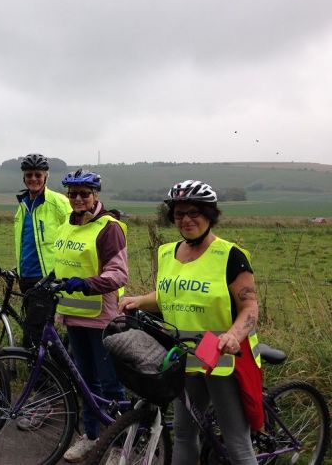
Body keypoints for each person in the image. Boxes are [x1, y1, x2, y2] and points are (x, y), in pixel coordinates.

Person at [119, 180, 261, 465]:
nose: (186, 219)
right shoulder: (167, 252)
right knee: (184, 434)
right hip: (186, 356)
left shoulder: (230, 256)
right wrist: (138, 300)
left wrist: (233, 335)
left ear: (210, 214)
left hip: (223, 359)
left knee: (237, 443)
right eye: (179, 213)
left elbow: (250, 307)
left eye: (194, 212)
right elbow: (169, 295)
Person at [54, 169, 128, 463]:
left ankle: (122, 441)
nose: (78, 199)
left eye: (84, 193)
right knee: (85, 381)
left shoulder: (109, 228)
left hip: (102, 317)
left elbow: (118, 274)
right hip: (72, 315)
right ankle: (92, 435)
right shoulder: (66, 224)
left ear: (96, 195)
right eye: (73, 194)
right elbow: (61, 263)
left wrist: (86, 284)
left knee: (110, 384)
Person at [14, 153, 71, 347]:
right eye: (29, 175)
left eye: (37, 175)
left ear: (46, 176)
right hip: (26, 276)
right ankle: (57, 369)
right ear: (24, 177)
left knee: (33, 332)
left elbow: (75, 232)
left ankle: (38, 375)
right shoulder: (22, 206)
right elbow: (24, 241)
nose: (33, 179)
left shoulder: (59, 202)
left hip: (46, 277)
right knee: (41, 329)